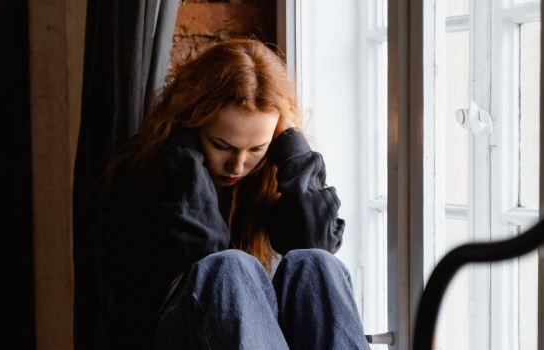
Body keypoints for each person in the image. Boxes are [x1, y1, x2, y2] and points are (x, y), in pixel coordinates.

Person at [98, 39, 370, 350]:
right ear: (192, 123)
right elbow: (205, 254)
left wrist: (292, 147)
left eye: (257, 148)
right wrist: (183, 153)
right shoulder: (143, 175)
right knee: (230, 268)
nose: (238, 164)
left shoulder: (266, 176)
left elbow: (316, 241)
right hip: (169, 336)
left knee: (317, 264)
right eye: (222, 145)